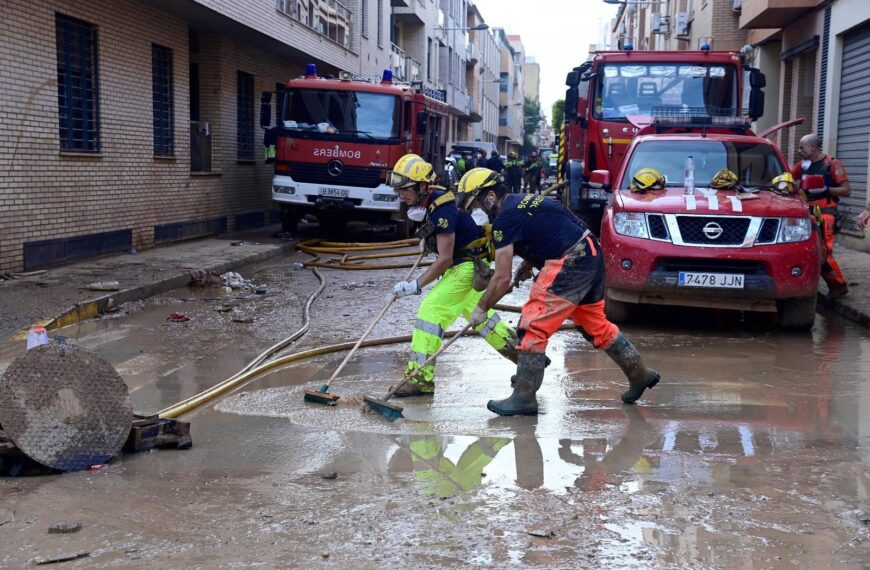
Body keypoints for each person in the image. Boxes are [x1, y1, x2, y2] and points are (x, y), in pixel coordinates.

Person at [456, 168, 660, 416]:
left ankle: (524, 397)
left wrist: (481, 308)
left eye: (476, 203)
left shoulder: (503, 220)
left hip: (571, 259)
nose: (478, 210)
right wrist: (529, 262)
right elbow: (551, 228)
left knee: (534, 323)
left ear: (488, 197)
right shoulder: (524, 201)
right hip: (591, 253)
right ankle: (639, 374)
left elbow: (501, 277)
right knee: (593, 323)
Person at [387, 156, 518, 397]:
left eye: (405, 189)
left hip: (467, 267)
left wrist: (415, 285)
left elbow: (445, 259)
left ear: (422, 186)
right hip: (472, 264)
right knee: (484, 321)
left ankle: (420, 379)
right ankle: (528, 363)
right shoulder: (432, 202)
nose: (401, 195)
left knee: (431, 311)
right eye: (399, 190)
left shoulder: (441, 208)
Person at [789, 134, 852, 298]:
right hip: (807, 212)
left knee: (823, 252)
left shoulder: (832, 164)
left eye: (802, 147)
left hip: (826, 212)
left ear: (814, 148)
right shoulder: (803, 165)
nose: (799, 151)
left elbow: (846, 190)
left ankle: (838, 285)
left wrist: (826, 190)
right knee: (808, 251)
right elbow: (788, 178)